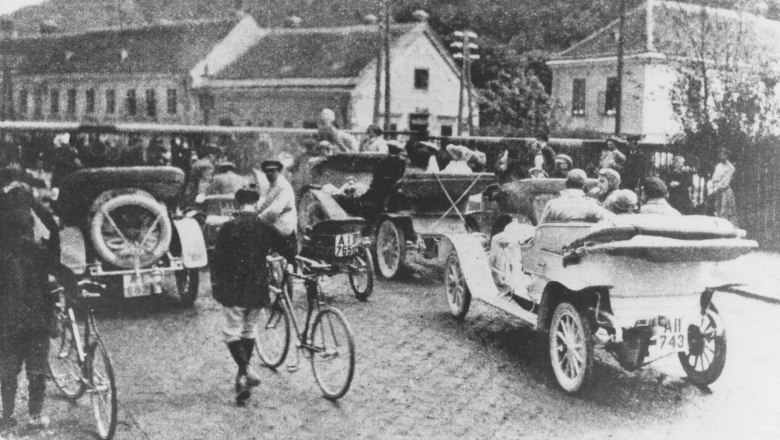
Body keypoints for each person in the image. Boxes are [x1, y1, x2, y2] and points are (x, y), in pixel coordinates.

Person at [0, 207, 77, 429]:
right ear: (29, 228)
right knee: (37, 372)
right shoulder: (39, 252)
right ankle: (34, 416)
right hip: (37, 323)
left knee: (7, 373)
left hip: (7, 324)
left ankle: (6, 417)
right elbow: (62, 273)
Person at [211, 187, 270, 406]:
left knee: (231, 333)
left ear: (237, 204)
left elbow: (217, 260)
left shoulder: (228, 227)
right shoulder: (264, 226)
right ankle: (242, 378)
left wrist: (217, 286)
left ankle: (246, 370)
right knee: (249, 330)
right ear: (255, 204)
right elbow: (283, 246)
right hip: (257, 288)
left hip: (234, 289)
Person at [257, 160, 298, 265]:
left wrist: (257, 218)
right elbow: (265, 204)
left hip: (284, 223)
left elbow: (275, 209)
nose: (269, 174)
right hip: (277, 222)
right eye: (267, 171)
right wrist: (253, 213)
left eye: (272, 171)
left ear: (278, 171)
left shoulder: (283, 186)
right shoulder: (272, 185)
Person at [539, 169, 613, 224]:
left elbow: (541, 229)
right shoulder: (591, 205)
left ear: (566, 184)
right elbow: (611, 220)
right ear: (584, 186)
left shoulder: (552, 205)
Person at [711, 149, 737, 225]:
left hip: (725, 192)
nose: (721, 156)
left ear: (727, 155)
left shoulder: (730, 167)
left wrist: (718, 187)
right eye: (720, 154)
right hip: (717, 191)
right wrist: (714, 187)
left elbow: (725, 182)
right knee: (717, 209)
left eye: (723, 154)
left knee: (726, 210)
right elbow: (714, 178)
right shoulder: (718, 165)